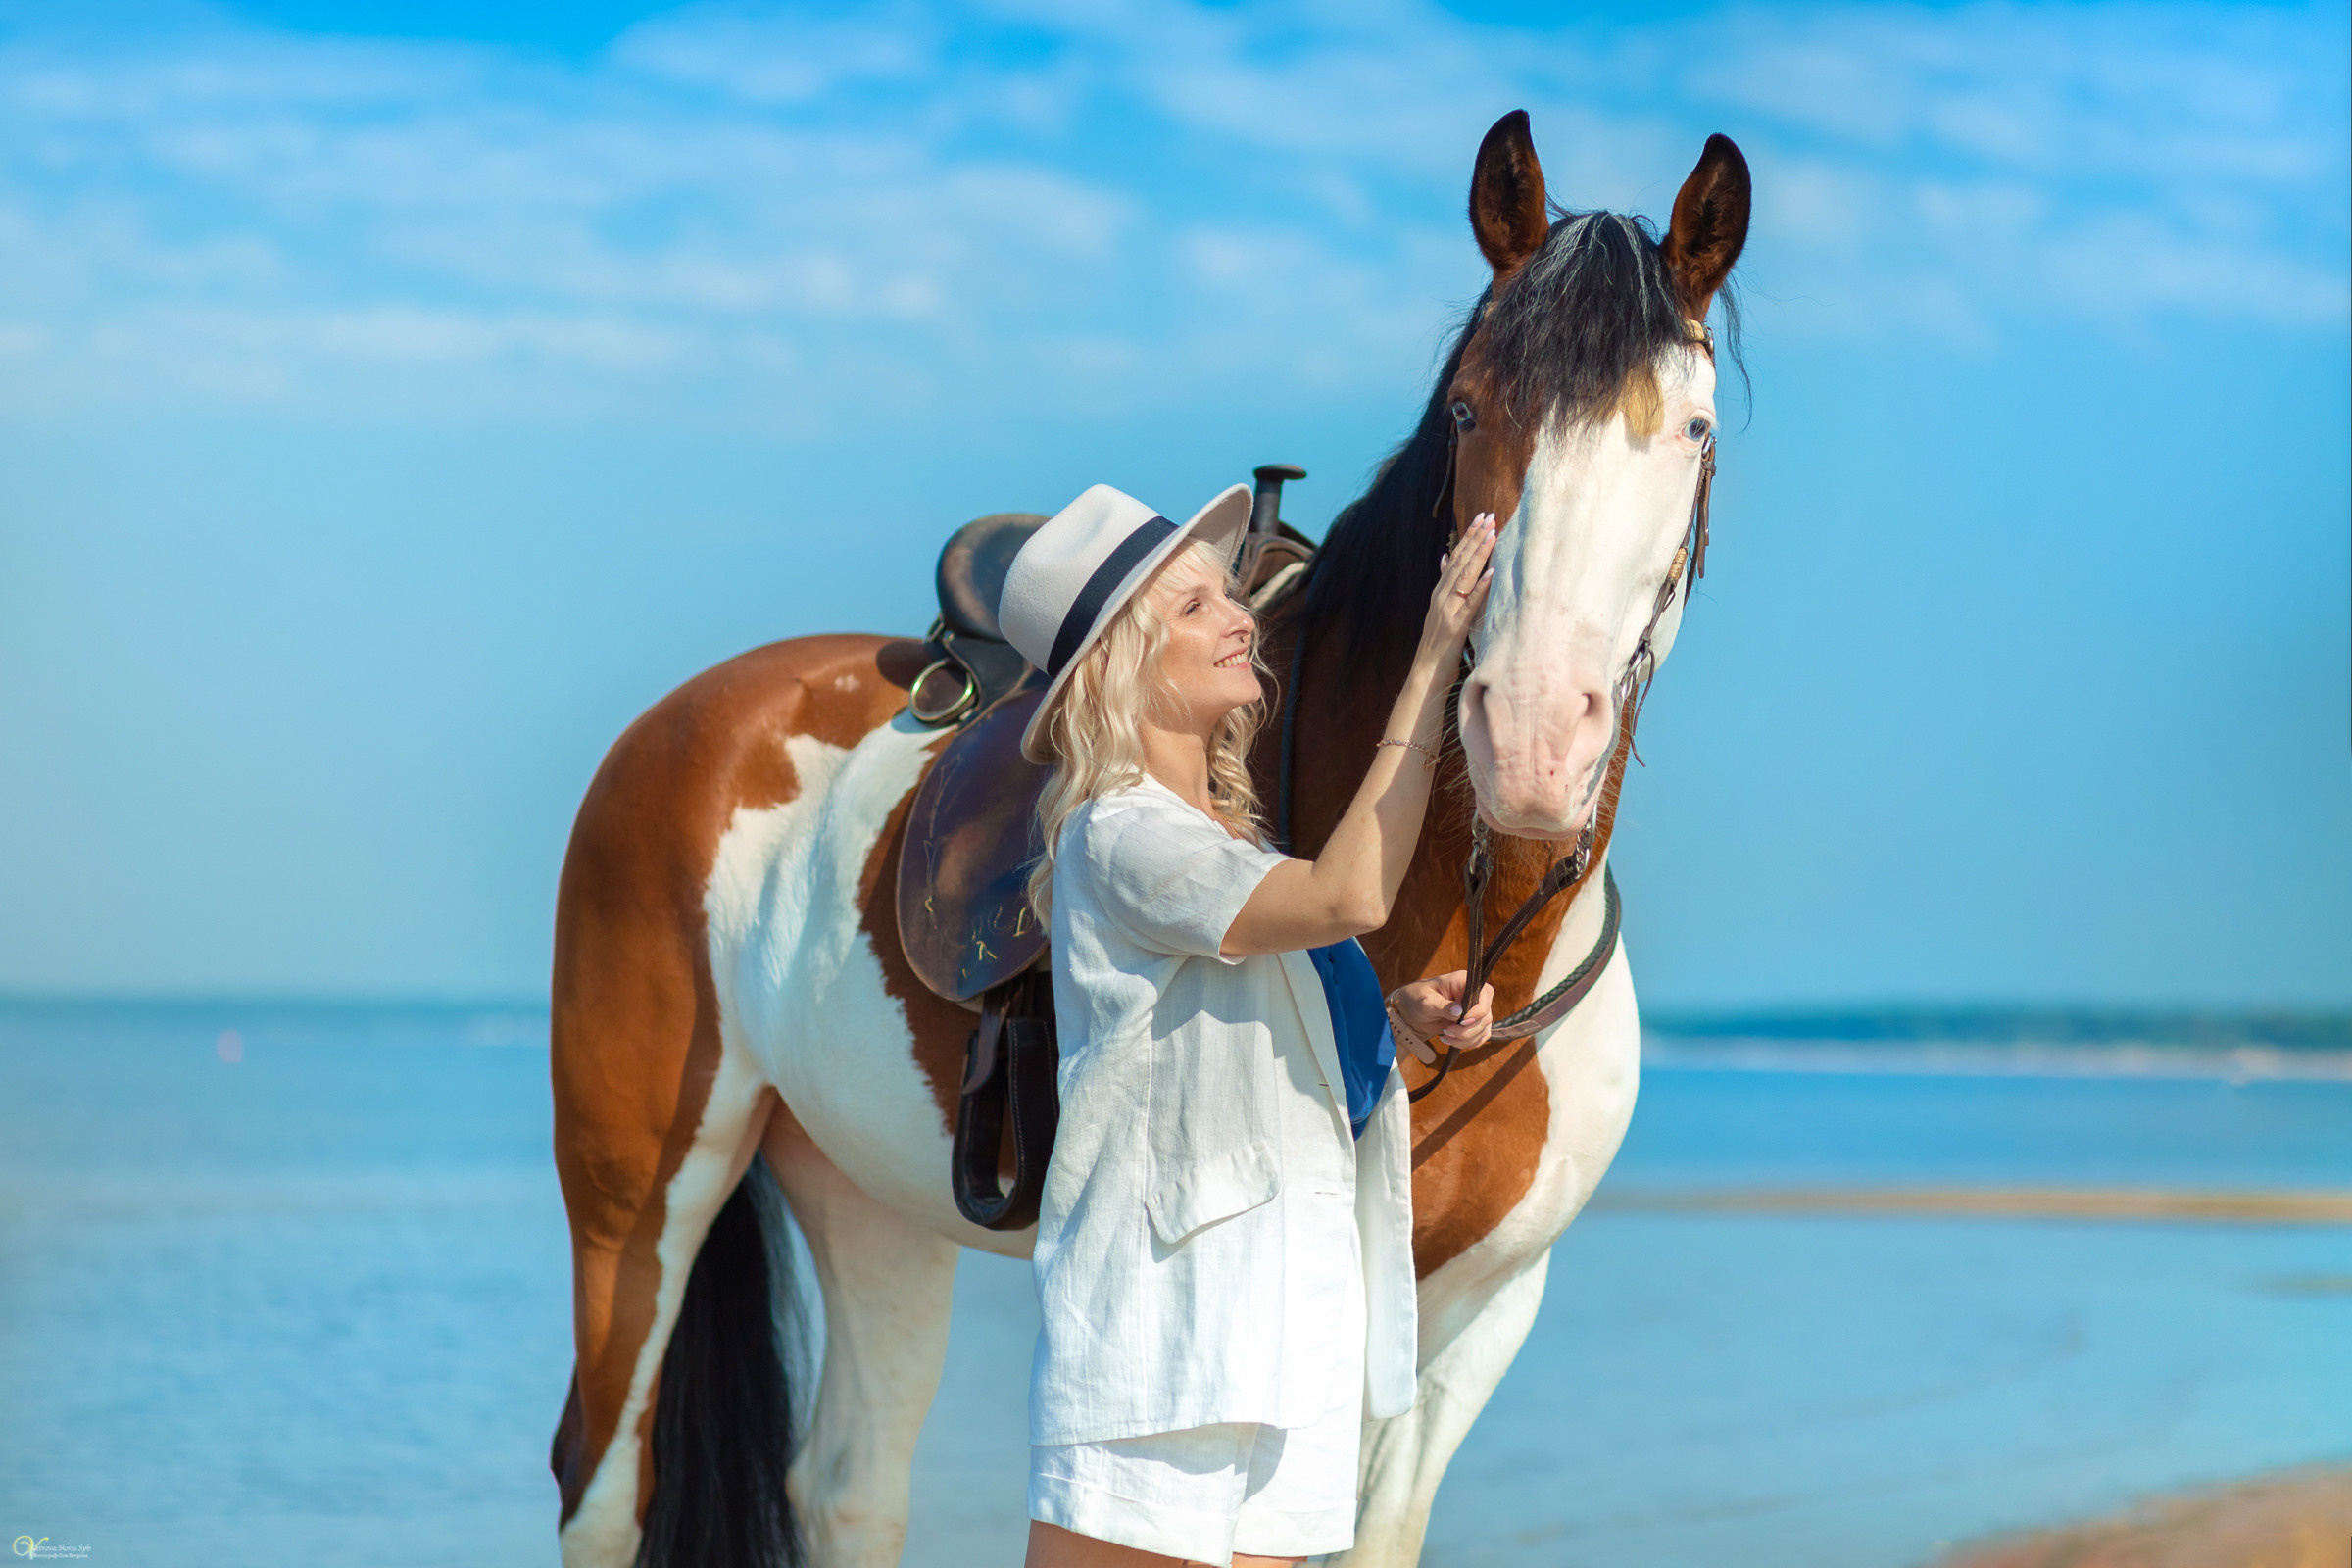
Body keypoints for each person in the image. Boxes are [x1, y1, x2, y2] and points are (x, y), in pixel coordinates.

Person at [995, 481, 1500, 1568]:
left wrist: (1388, 1015)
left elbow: (1262, 1012)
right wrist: (1430, 663)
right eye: (1193, 607)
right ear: (1117, 671)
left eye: (1231, 595)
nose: (1240, 618)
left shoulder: (1223, 846)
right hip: (1164, 1355)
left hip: (1287, 1346)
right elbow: (1348, 897)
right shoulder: (1119, 834)